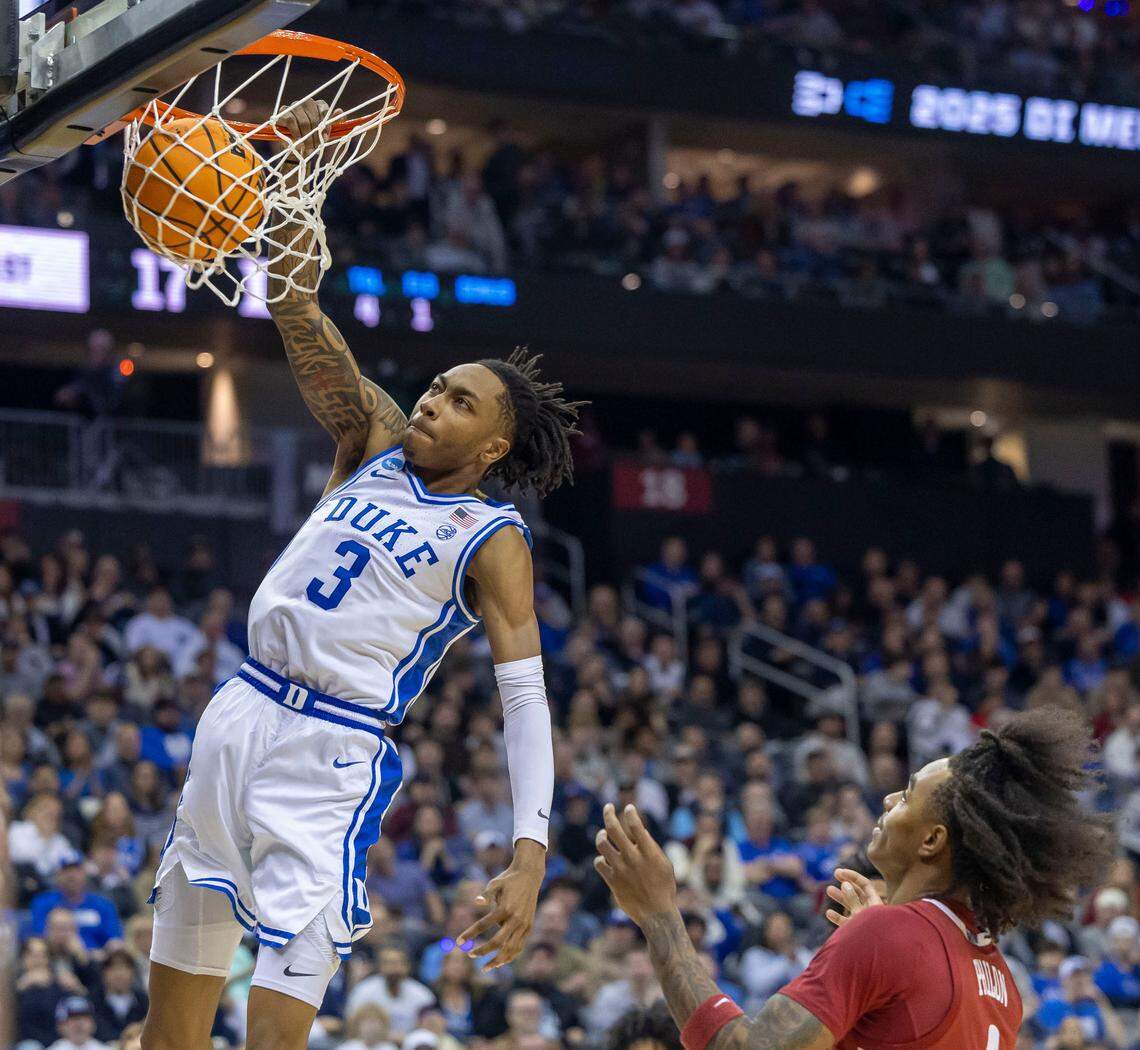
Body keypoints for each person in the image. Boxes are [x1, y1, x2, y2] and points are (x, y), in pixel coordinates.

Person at [140, 100, 582, 1050]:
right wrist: (287, 234)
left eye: (459, 401)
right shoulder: (373, 439)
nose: (432, 400)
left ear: (495, 442)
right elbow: (300, 315)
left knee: (271, 1034)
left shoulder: (491, 535)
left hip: (327, 750)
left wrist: (531, 853)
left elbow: (525, 697)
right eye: (434, 385)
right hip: (240, 710)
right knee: (168, 1025)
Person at [593, 708, 1112, 1049]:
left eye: (907, 794)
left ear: (932, 841)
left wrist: (659, 914)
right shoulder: (1001, 981)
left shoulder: (890, 938)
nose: (888, 801)